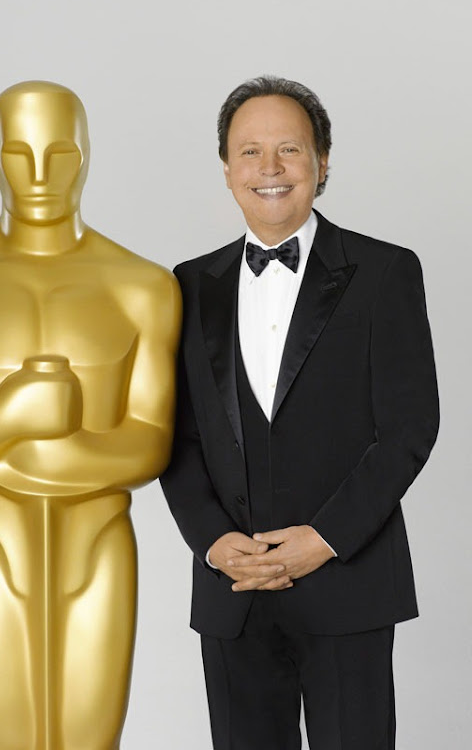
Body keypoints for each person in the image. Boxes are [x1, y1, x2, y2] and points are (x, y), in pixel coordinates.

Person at [160, 75, 439, 750]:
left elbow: (408, 429)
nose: (270, 168)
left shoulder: (385, 272)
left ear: (322, 161)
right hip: (232, 591)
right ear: (226, 167)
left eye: (289, 149)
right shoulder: (186, 286)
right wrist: (214, 543)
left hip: (348, 583)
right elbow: (176, 435)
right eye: (250, 151)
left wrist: (325, 539)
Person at [0, 81, 180, 750]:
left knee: (91, 739)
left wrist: (21, 450)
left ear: (86, 154)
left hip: (98, 539)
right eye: (18, 153)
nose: (38, 176)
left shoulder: (143, 287)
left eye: (60, 154)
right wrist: (12, 410)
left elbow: (152, 444)